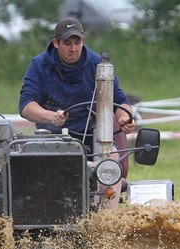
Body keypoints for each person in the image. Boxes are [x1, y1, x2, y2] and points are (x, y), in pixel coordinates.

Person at [18, 17, 135, 207]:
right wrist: (52, 117)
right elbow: (26, 105)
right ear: (55, 43)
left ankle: (107, 219)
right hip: (52, 140)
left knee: (111, 157)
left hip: (93, 138)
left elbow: (120, 100)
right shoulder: (40, 65)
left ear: (83, 41)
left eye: (77, 42)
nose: (73, 49)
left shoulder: (98, 64)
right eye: (67, 43)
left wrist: (124, 118)